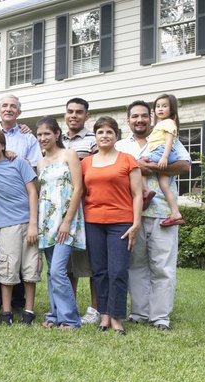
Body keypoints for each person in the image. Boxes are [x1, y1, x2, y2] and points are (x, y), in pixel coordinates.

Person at [116, 100, 191, 331]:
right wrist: (137, 166)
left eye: (143, 116)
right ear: (128, 120)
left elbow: (184, 166)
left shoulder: (166, 136)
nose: (139, 120)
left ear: (150, 118)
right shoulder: (120, 146)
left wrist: (153, 168)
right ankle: (139, 312)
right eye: (134, 116)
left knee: (163, 267)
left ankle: (160, 317)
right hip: (132, 215)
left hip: (162, 213)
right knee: (136, 265)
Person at [0, 95, 42, 314]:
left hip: (25, 213)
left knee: (28, 262)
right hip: (2, 216)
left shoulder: (26, 139)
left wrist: (11, 156)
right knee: (2, 257)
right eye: (5, 105)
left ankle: (22, 304)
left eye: (13, 106)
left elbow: (33, 179)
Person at [81, 116, 142, 335]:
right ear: (95, 136)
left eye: (109, 132)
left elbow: (137, 194)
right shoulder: (86, 162)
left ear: (116, 136)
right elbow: (81, 193)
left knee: (117, 270)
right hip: (93, 222)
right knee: (99, 271)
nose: (104, 136)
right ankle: (104, 314)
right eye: (100, 132)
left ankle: (116, 317)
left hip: (121, 222)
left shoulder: (128, 160)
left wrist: (136, 223)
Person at [36, 116, 85, 330]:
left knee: (58, 270)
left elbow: (78, 189)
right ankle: (54, 315)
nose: (43, 138)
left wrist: (66, 221)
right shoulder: (40, 161)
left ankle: (70, 319)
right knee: (50, 271)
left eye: (47, 133)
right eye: (39, 134)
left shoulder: (69, 154)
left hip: (66, 221)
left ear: (57, 134)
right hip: (46, 222)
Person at [61, 97, 100, 324]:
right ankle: (69, 306)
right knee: (67, 264)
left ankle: (95, 309)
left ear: (87, 116)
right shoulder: (58, 140)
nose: (74, 115)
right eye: (70, 111)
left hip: (87, 209)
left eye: (79, 112)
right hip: (61, 211)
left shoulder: (94, 141)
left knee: (92, 263)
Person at [142, 94, 185, 226]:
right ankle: (175, 213)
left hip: (161, 152)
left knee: (138, 165)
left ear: (171, 109)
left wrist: (164, 157)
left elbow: (168, 141)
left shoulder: (168, 123)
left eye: (164, 106)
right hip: (162, 152)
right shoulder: (160, 124)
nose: (160, 109)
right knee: (165, 186)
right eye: (158, 106)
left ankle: (145, 192)